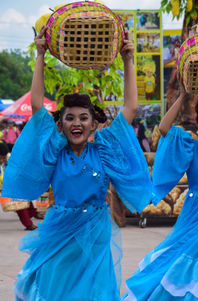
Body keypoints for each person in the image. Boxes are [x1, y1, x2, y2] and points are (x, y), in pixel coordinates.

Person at [2, 27, 152, 300]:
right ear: (60, 124)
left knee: (93, 292)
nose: (77, 123)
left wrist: (128, 59)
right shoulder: (54, 152)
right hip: (58, 228)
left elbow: (130, 108)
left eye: (84, 118)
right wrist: (39, 54)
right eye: (70, 118)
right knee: (56, 290)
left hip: (95, 230)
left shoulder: (104, 150)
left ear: (94, 124)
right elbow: (37, 106)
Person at [122, 74, 198, 300]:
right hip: (195, 215)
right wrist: (183, 96)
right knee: (180, 259)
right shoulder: (191, 145)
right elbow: (164, 129)